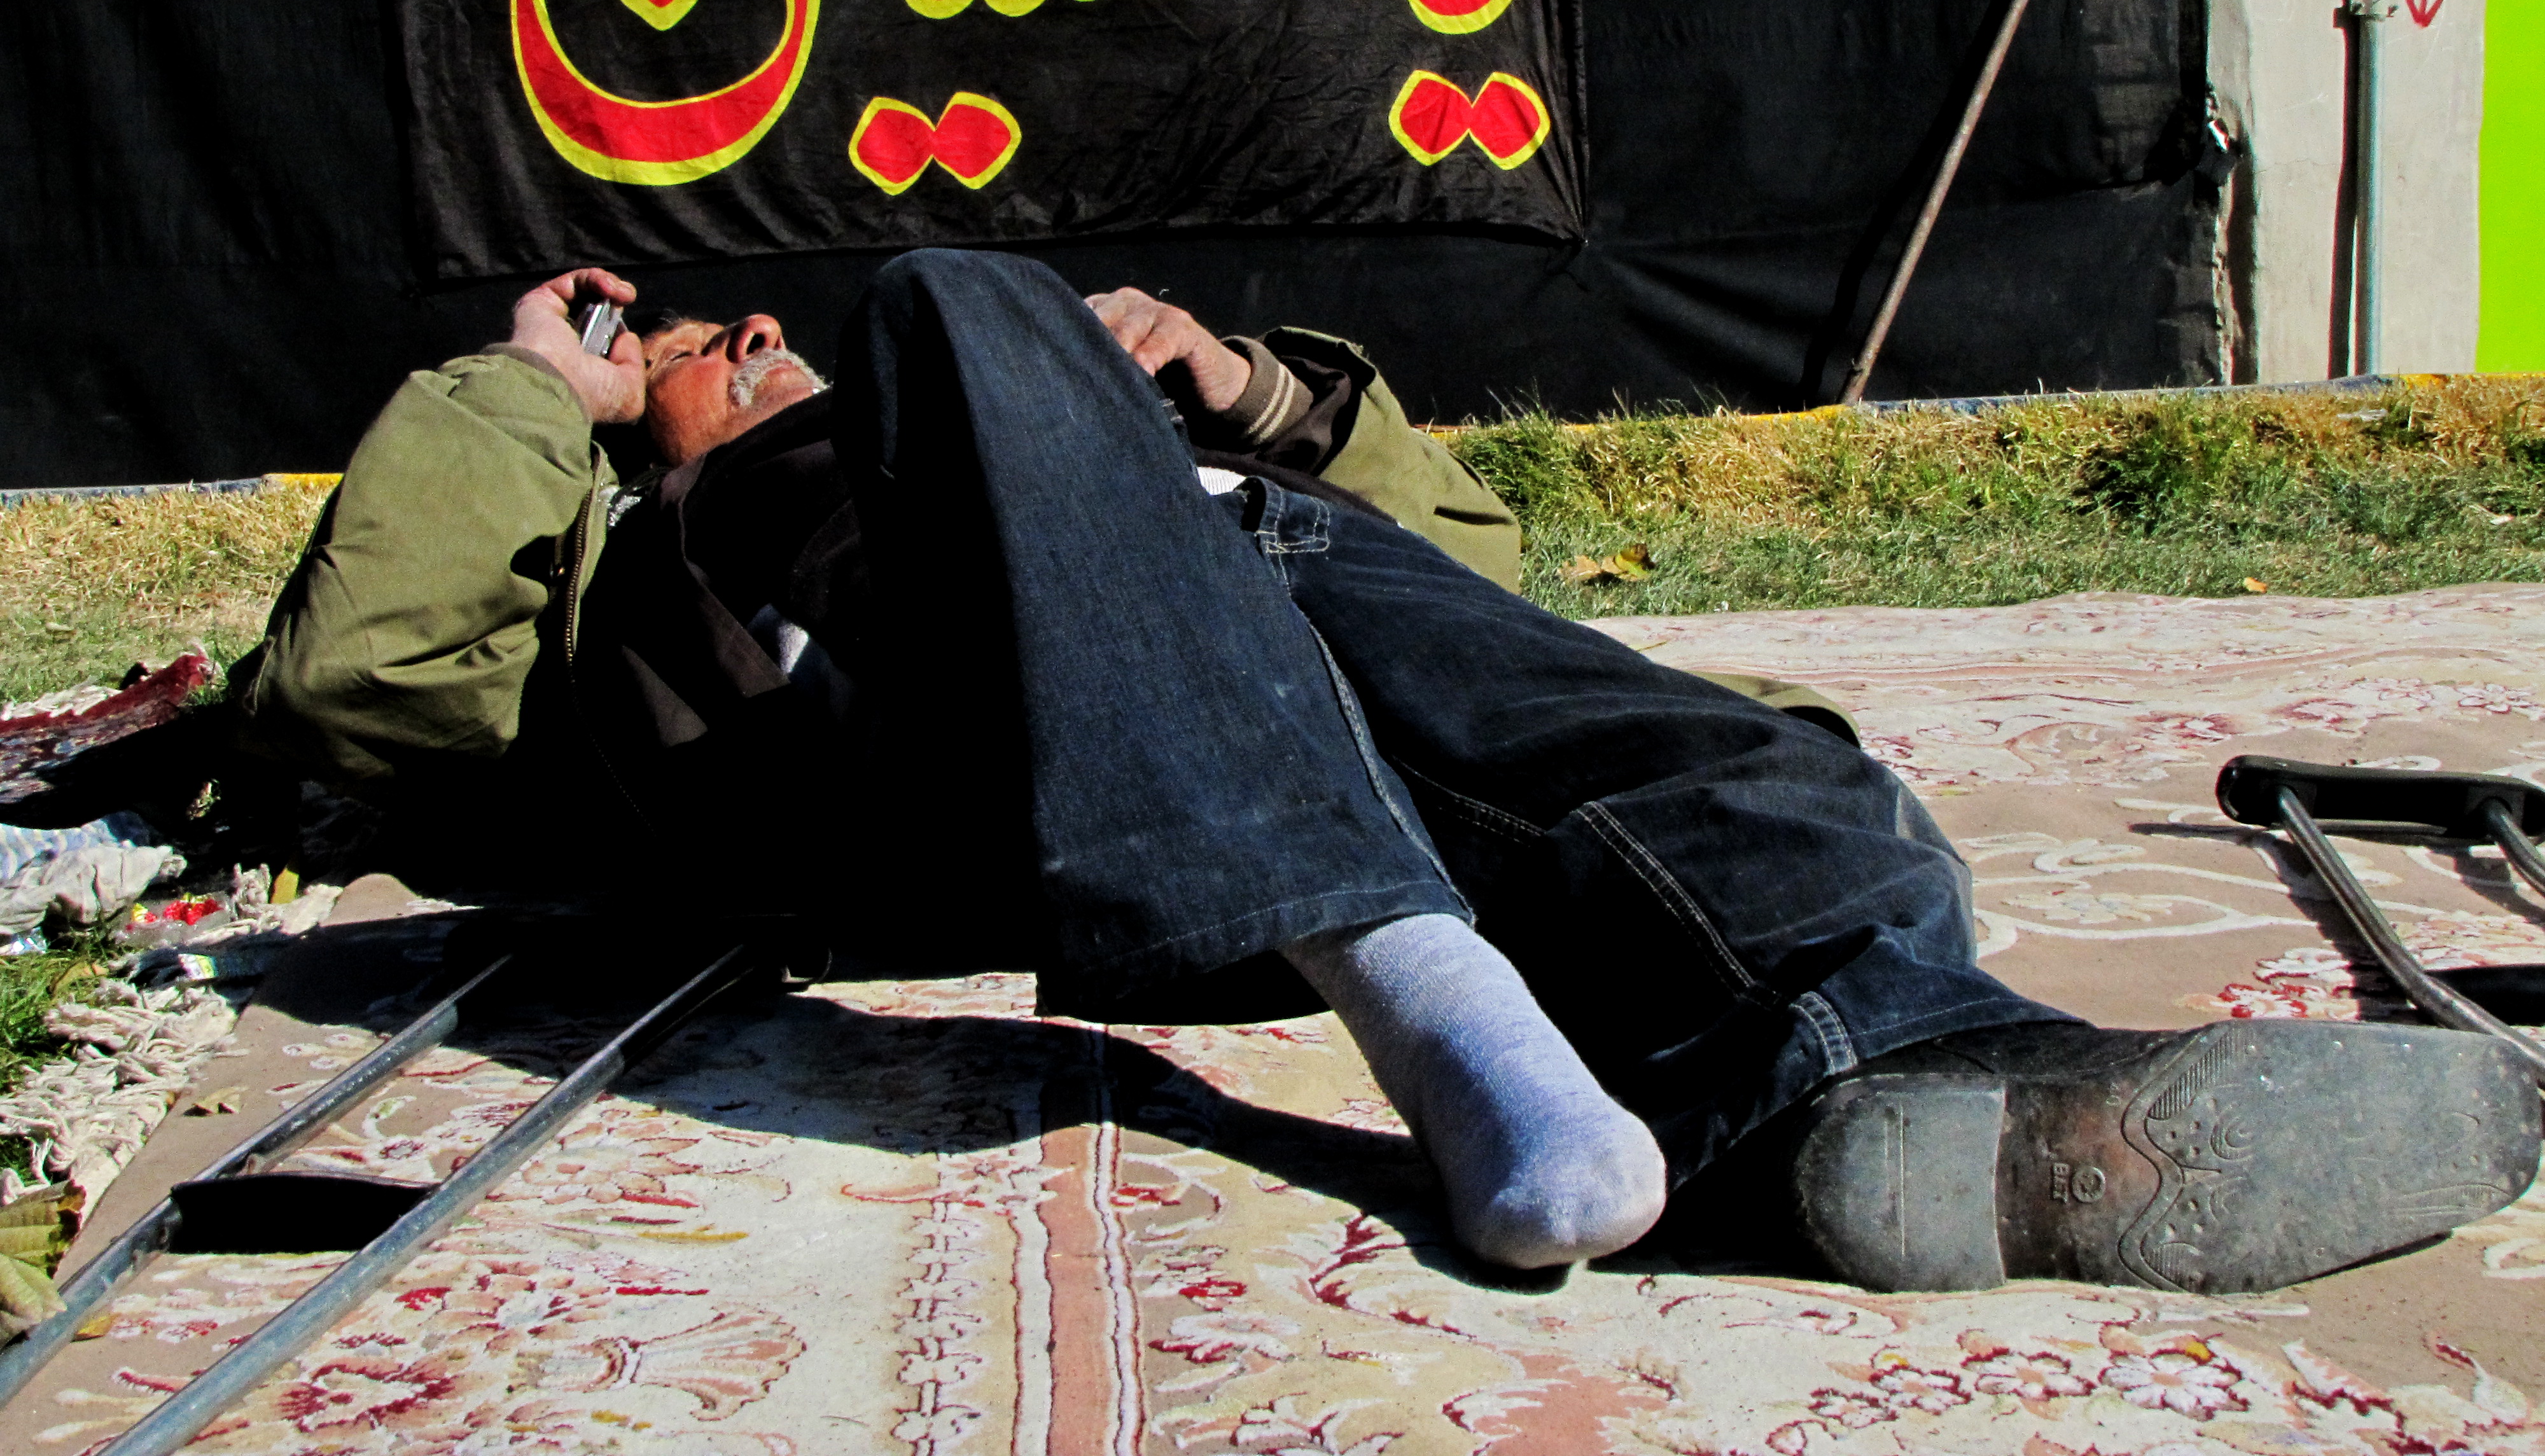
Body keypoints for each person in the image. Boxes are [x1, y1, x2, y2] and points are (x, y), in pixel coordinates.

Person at [230, 249, 2541, 1290]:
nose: (744, 327)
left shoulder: (1122, 440)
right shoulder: (649, 578)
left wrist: (1237, 398)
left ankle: (1896, 1085)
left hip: (1250, 649)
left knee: (1723, 769)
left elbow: (1484, 584)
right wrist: (537, 393)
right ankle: (1423, 989)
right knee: (951, 292)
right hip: (950, 772)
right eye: (696, 341)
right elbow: (363, 687)